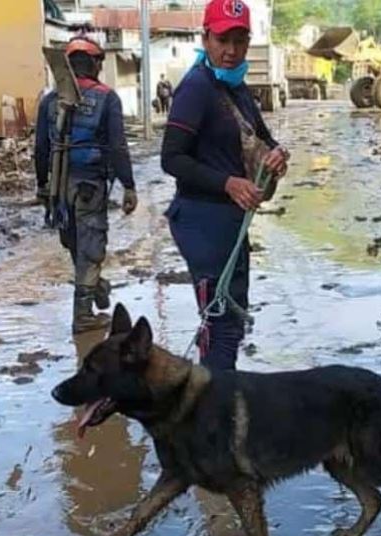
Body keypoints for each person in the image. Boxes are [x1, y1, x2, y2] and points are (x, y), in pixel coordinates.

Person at [161, 0, 289, 370]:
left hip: (229, 222)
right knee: (221, 321)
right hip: (202, 220)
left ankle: (219, 400)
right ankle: (214, 412)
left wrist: (277, 156)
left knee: (230, 319)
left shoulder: (236, 89)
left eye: (239, 40)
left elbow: (266, 139)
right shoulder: (196, 88)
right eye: (222, 40)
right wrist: (228, 183)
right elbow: (171, 159)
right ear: (205, 38)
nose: (230, 51)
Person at [35, 36, 138, 334]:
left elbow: (40, 148)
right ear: (95, 64)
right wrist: (129, 186)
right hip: (89, 185)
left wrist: (43, 186)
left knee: (75, 244)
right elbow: (118, 147)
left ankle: (95, 288)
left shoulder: (50, 101)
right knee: (90, 248)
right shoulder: (107, 98)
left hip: (59, 189)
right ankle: (82, 316)